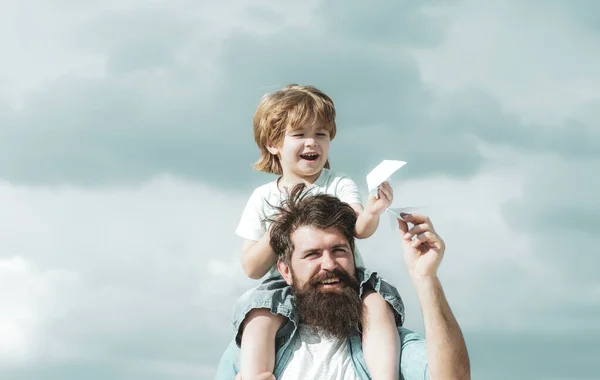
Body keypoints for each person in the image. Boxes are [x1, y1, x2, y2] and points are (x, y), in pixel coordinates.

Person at [233, 84, 405, 380]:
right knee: (257, 314)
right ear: (273, 143)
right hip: (283, 285)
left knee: (376, 303)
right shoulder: (262, 198)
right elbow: (251, 267)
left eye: (321, 134)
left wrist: (373, 211)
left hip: (342, 278)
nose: (312, 142)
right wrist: (280, 225)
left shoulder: (338, 183)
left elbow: (359, 228)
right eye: (299, 135)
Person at [215, 184, 470, 380]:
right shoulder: (251, 348)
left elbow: (454, 377)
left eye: (338, 250)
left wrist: (425, 277)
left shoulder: (389, 343)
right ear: (285, 271)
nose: (329, 264)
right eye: (312, 254)